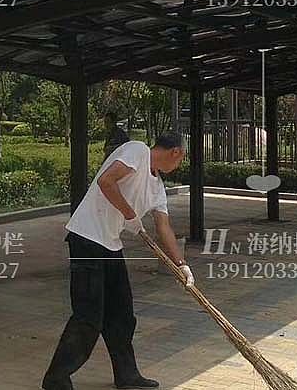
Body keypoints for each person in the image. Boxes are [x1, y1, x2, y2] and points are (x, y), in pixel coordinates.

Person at [42, 134, 191, 390]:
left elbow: (163, 226)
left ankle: (127, 375)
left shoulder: (157, 187)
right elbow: (106, 181)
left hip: (110, 244)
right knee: (89, 316)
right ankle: (56, 378)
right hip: (87, 238)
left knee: (122, 315)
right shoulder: (137, 151)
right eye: (180, 160)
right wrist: (130, 215)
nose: (178, 166)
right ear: (175, 152)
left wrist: (181, 264)